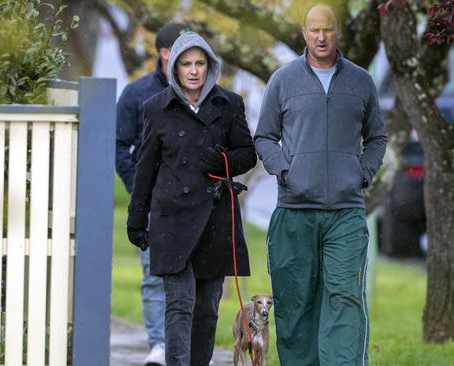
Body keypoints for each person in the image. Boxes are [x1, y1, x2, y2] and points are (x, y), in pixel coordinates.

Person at [254, 3, 388, 365]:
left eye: (327, 29)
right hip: (295, 211)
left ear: (338, 32)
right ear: (304, 34)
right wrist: (285, 171)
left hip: (345, 212)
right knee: (296, 304)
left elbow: (377, 138)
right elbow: (264, 136)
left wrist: (361, 173)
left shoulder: (361, 81)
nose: (321, 36)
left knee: (344, 299)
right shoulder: (283, 80)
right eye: (314, 30)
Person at [126, 31, 256, 366]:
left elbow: (248, 154)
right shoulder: (157, 108)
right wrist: (137, 218)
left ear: (210, 66)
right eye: (186, 64)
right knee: (179, 305)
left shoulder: (229, 104)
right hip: (172, 220)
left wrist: (224, 160)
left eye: (200, 63)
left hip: (214, 219)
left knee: (207, 309)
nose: (193, 70)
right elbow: (146, 166)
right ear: (175, 68)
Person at [116, 22, 185, 366]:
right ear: (164, 53)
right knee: (154, 275)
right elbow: (120, 146)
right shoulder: (137, 94)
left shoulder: (205, 95)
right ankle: (159, 345)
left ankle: (183, 347)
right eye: (183, 51)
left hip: (193, 205)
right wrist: (139, 190)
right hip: (153, 206)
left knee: (194, 279)